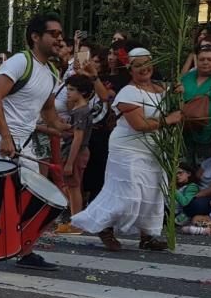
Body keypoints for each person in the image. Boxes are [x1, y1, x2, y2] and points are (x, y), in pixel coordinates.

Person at [71, 48, 183, 251]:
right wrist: (170, 119)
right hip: (128, 148)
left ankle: (147, 235)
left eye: (146, 63)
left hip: (154, 148)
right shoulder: (128, 92)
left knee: (151, 192)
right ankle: (104, 226)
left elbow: (177, 101)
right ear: (130, 69)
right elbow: (139, 125)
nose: (143, 68)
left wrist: (177, 93)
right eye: (137, 65)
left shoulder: (161, 89)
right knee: (129, 191)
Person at [0, 12, 71, 271]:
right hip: (0, 144)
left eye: (60, 34)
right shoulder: (21, 62)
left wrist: (64, 127)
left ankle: (24, 250)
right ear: (35, 37)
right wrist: (6, 137)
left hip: (24, 146)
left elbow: (47, 110)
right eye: (53, 34)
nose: (59, 39)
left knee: (38, 201)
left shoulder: (52, 70)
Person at [54, 74, 96, 234]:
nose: (68, 93)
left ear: (83, 92)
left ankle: (76, 222)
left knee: (73, 187)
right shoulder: (78, 111)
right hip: (74, 150)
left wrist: (70, 162)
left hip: (76, 152)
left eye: (72, 90)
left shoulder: (81, 112)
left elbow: (78, 138)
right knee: (71, 186)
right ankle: (75, 220)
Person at [181, 40, 211, 161]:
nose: (205, 62)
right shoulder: (187, 77)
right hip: (186, 136)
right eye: (202, 59)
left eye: (210, 60)